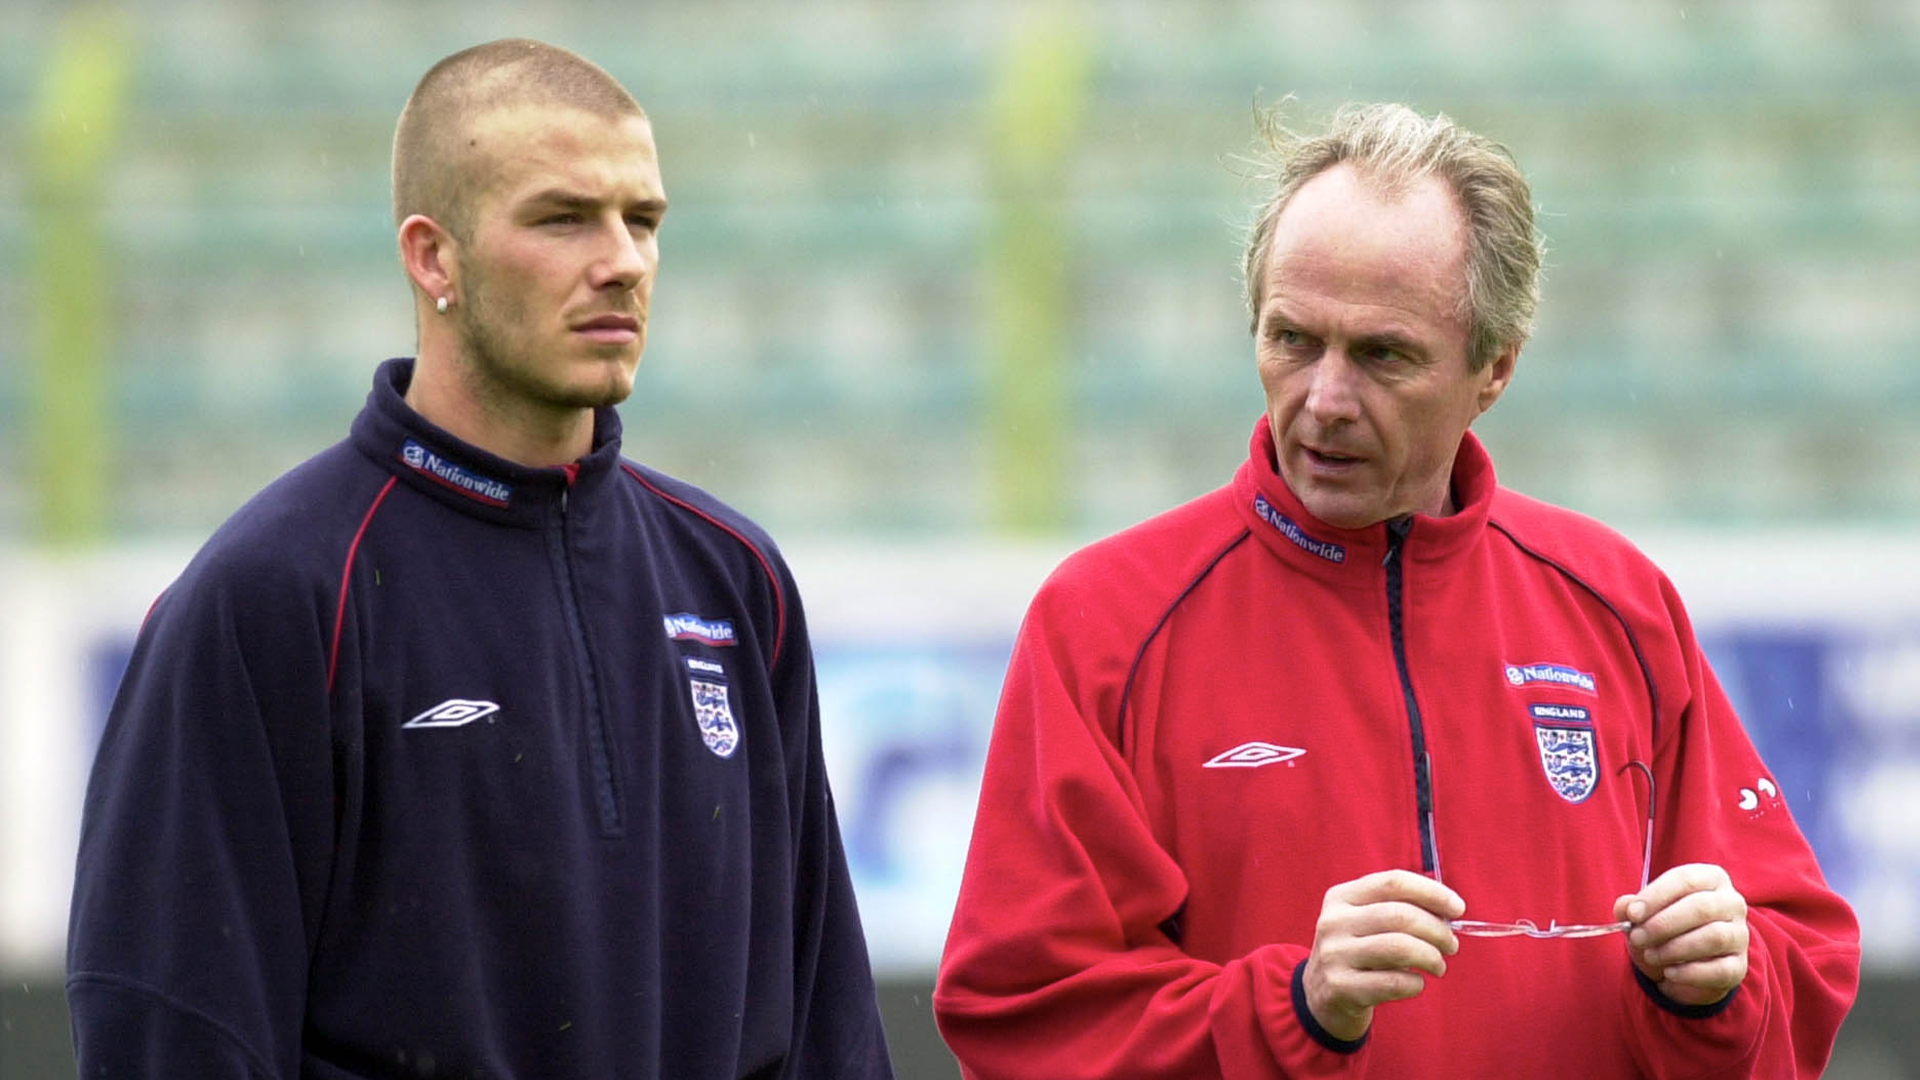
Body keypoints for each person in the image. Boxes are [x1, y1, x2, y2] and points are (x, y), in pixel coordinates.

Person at [933, 103, 1860, 1078]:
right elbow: (1022, 1016)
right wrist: (1291, 1010)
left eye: (1383, 355)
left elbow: (1799, 968)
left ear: (1494, 368)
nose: (1326, 399)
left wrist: (1723, 984)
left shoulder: (1620, 607)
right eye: (1294, 340)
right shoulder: (1106, 623)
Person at [67, 39, 893, 1079]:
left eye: (643, 220)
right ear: (433, 256)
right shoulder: (275, 594)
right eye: (563, 218)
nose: (623, 261)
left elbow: (826, 1017)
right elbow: (174, 1023)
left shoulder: (735, 582)